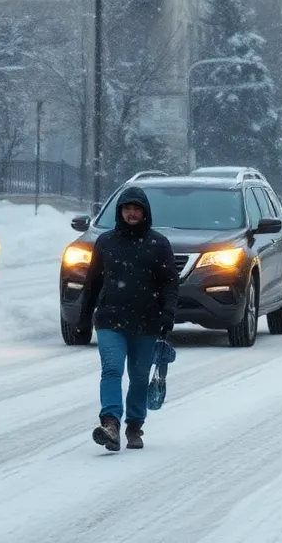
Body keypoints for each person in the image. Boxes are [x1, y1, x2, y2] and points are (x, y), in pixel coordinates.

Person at [85, 186, 179, 452]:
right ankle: (110, 423)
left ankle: (134, 425)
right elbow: (93, 282)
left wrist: (167, 313)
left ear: (145, 212)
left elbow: (170, 283)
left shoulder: (158, 244)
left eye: (137, 209)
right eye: (127, 208)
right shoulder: (106, 242)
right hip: (110, 319)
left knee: (139, 377)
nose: (132, 213)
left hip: (146, 322)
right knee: (112, 369)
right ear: (120, 212)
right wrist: (83, 317)